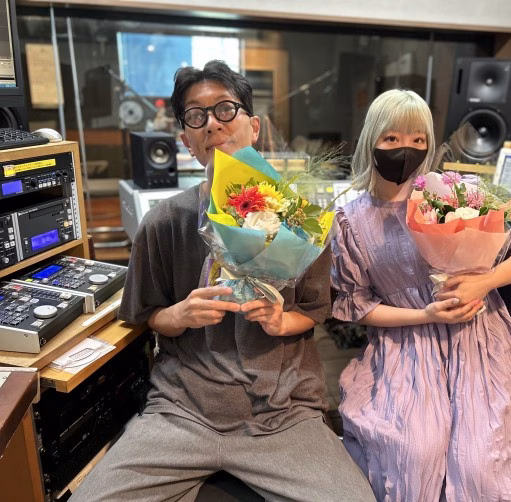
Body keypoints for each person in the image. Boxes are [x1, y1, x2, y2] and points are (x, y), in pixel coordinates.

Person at [70, 60, 375, 502]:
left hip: (282, 414)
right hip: (182, 411)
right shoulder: (163, 222)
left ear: (254, 127)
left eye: (225, 109)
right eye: (196, 116)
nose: (212, 123)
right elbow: (146, 315)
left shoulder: (301, 221)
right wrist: (179, 314)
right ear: (186, 140)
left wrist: (280, 319)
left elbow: (313, 311)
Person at [331, 89, 511, 501]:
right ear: (371, 141)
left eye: (418, 139)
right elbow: (356, 306)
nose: (406, 148)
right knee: (415, 451)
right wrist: (426, 316)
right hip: (406, 347)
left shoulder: (458, 196)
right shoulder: (350, 221)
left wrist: (485, 281)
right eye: (392, 138)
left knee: (482, 461)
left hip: (481, 343)